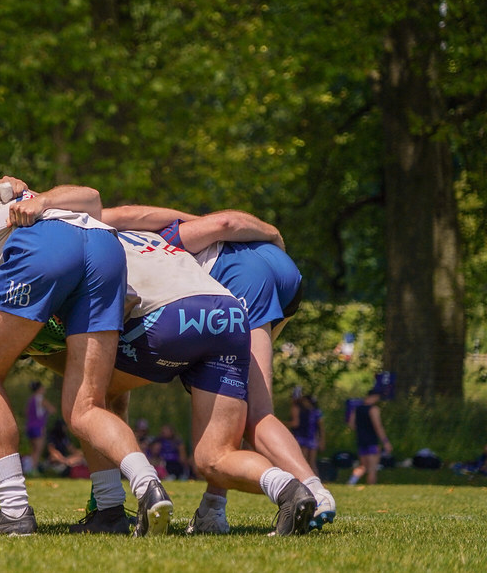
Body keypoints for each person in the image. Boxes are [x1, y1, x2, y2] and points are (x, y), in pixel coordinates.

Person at [37, 228, 316, 537]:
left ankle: (116, 504)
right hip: (231, 313)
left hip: (174, 314)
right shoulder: (148, 236)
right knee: (214, 457)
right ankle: (289, 490)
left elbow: (113, 307)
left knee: (88, 400)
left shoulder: (81, 247)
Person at [0, 179, 170, 537]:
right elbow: (93, 196)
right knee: (88, 404)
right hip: (105, 246)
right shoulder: (28, 201)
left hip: (47, 246)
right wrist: (36, 198)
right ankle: (136, 492)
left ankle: (14, 512)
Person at [100, 205, 337, 532]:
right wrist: (273, 236)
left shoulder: (163, 241)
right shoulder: (167, 232)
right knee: (233, 405)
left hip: (240, 280)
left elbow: (224, 222)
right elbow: (227, 221)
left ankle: (313, 490)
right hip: (283, 275)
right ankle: (213, 508)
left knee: (254, 413)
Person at [347, 385, 392, 485]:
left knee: (363, 466)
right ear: (375, 397)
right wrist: (385, 442)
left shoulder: (357, 409)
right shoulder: (373, 409)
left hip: (361, 440)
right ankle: (371, 487)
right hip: (372, 441)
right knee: (372, 468)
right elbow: (378, 426)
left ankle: (351, 482)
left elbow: (351, 424)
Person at [289, 387, 324, 473]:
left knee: (303, 461)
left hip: (303, 437)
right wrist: (321, 439)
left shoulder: (299, 409)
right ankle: (315, 478)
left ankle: (303, 477)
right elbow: (321, 427)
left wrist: (281, 423)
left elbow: (295, 423)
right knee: (311, 463)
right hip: (312, 438)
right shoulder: (316, 412)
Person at [24, 381, 55, 474]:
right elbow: (52, 410)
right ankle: (33, 469)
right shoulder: (41, 399)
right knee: (38, 450)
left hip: (29, 426)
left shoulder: (31, 399)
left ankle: (29, 468)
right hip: (38, 426)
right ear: (40, 388)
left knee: (33, 449)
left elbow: (26, 412)